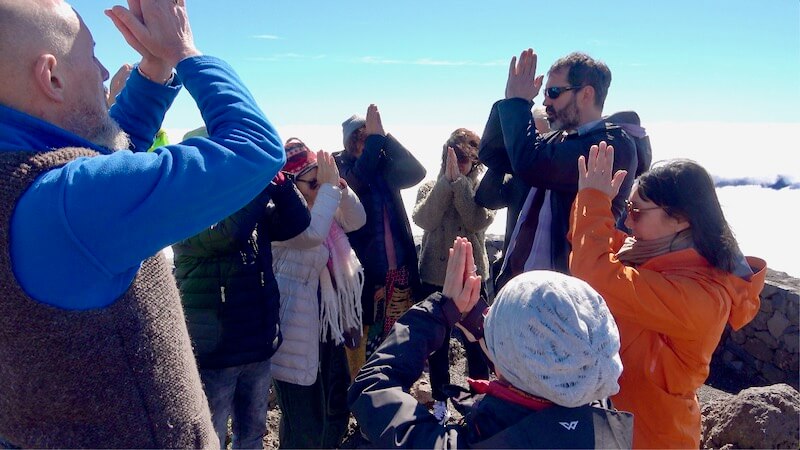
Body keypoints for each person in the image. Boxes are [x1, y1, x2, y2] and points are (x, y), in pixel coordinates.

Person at [0, 0, 285, 447]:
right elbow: (254, 150)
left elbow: (107, 161)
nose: (101, 72)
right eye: (91, 56)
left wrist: (154, 71)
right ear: (51, 77)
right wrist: (185, 52)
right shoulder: (69, 202)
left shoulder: (25, 181)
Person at [569, 142, 767, 448]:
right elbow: (591, 250)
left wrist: (594, 200)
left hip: (651, 437)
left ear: (681, 219)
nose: (627, 221)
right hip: (628, 427)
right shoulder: (655, 258)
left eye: (636, 211)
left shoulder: (702, 296)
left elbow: (593, 273)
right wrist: (595, 203)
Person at [348, 237, 633, 449]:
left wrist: (441, 309)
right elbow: (541, 360)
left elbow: (373, 386)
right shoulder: (601, 415)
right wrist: (477, 318)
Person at [172, 127, 310, 448]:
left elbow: (297, 224)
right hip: (214, 354)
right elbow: (224, 236)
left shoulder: (244, 206)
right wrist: (258, 184)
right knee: (209, 438)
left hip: (257, 345)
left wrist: (281, 187)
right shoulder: (184, 208)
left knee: (251, 435)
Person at [479, 48, 650, 292]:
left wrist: (517, 103)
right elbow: (492, 154)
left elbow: (531, 163)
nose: (545, 101)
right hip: (522, 286)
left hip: (567, 295)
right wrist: (512, 102)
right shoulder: (557, 140)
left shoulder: (612, 144)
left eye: (554, 92)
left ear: (586, 94)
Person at [271, 139, 366, 449]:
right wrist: (327, 193)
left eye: (320, 179)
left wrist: (338, 186)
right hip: (297, 334)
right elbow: (311, 236)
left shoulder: (325, 211)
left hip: (329, 327)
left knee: (334, 410)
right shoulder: (282, 217)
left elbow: (357, 219)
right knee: (304, 424)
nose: (318, 187)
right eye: (311, 181)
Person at [334, 104, 426, 374]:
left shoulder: (385, 167)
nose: (365, 143)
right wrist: (375, 143)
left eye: (368, 137)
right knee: (363, 343)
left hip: (398, 271)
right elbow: (353, 186)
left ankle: (393, 387)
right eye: (360, 138)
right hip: (366, 276)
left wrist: (386, 137)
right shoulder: (341, 166)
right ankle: (363, 397)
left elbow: (416, 172)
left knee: (396, 341)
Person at [412, 128, 493, 422]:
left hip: (471, 278)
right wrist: (446, 185)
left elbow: (475, 221)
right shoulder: (430, 188)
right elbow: (425, 218)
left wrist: (459, 185)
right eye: (453, 156)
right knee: (438, 346)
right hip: (434, 278)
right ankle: (441, 401)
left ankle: (480, 399)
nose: (458, 162)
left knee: (477, 344)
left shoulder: (482, 192)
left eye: (464, 158)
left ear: (475, 161)